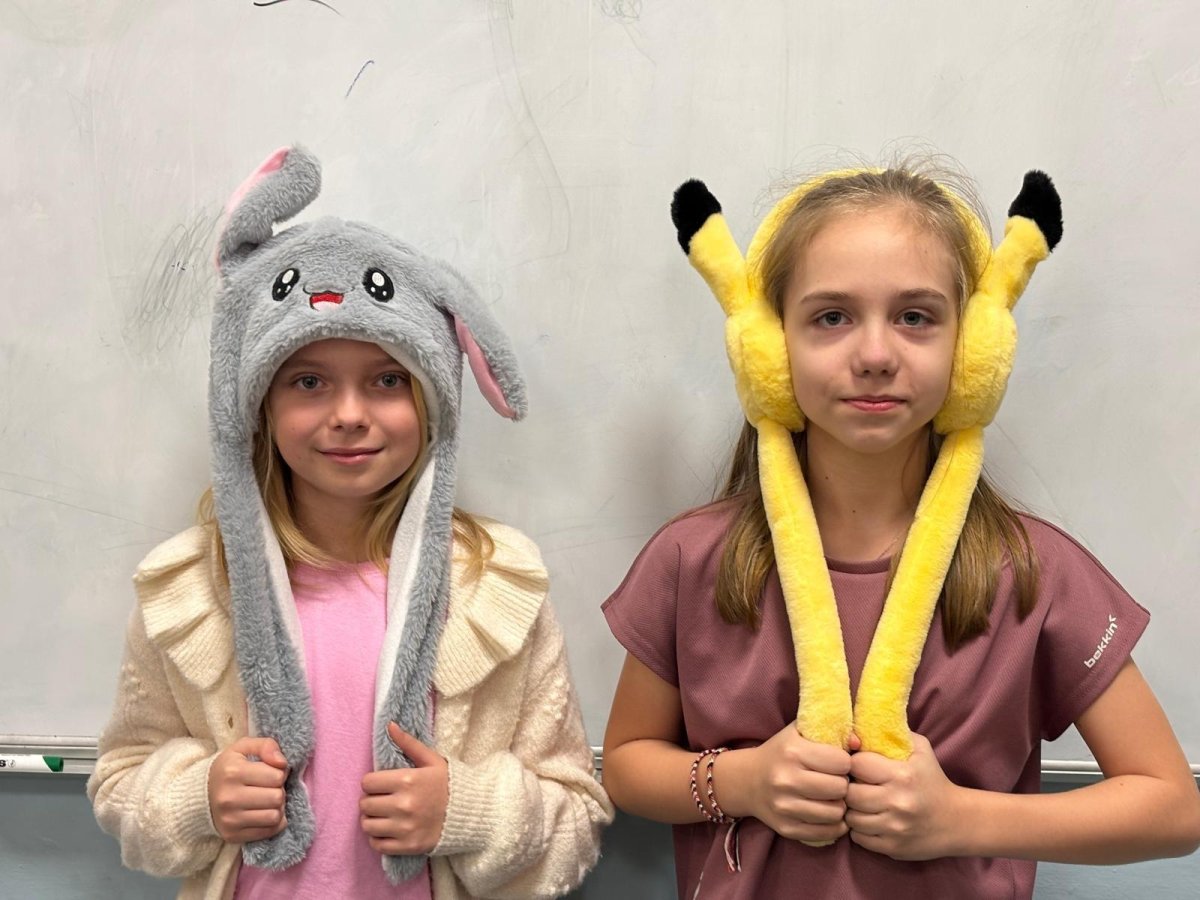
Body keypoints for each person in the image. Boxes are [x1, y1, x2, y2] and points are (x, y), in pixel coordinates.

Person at [601, 156, 1200, 899]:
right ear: (771, 348)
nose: (876, 356)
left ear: (970, 347)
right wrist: (745, 780)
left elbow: (1172, 808)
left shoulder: (1035, 573)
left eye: (916, 317)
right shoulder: (691, 558)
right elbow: (627, 762)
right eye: (831, 317)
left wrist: (960, 820)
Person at [88, 146, 612, 900]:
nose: (349, 415)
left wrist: (466, 812)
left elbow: (576, 821)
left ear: (432, 398)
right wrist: (199, 797)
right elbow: (121, 781)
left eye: (388, 380)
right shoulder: (195, 587)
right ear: (258, 405)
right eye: (308, 381)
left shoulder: (493, 586)